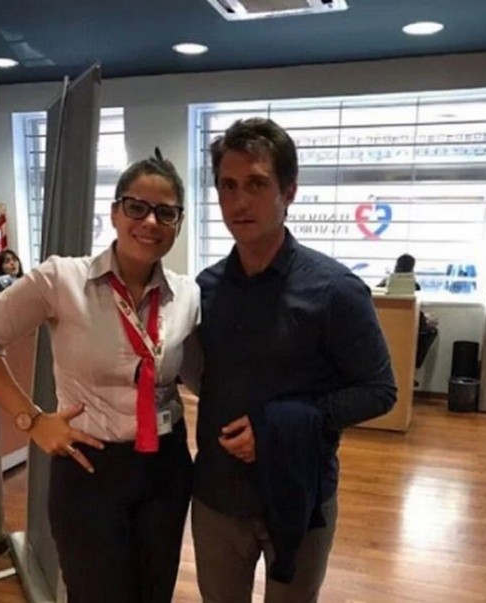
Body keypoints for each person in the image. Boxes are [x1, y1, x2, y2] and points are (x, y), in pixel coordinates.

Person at [0, 151, 199, 603]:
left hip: (165, 468)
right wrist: (31, 419)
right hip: (89, 467)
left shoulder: (187, 295)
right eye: (136, 207)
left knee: (155, 593)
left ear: (178, 223)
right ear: (115, 212)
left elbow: (203, 372)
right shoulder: (61, 280)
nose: (150, 222)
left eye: (166, 213)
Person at [190, 118, 397, 602]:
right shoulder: (204, 289)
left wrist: (279, 427)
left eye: (256, 184)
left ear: (290, 192)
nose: (239, 202)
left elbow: (380, 390)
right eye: (228, 185)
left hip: (300, 494)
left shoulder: (335, 290)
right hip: (217, 498)